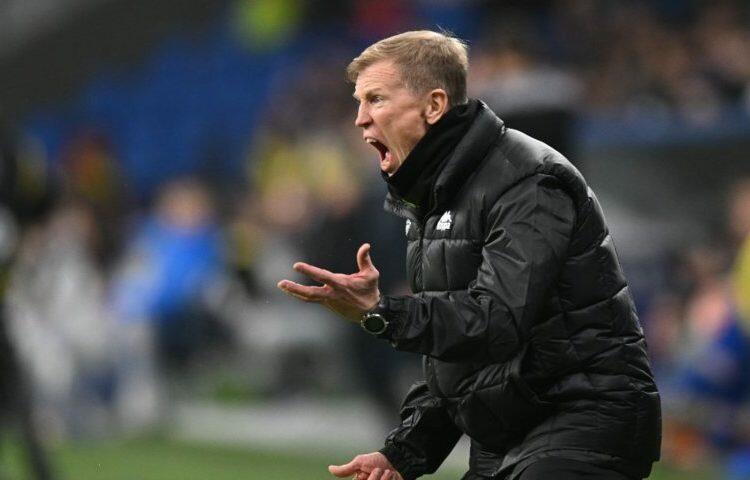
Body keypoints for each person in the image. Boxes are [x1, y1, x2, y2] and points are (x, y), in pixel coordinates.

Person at [278, 30, 661, 480]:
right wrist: (403, 453)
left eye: (376, 99)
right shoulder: (434, 196)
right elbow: (459, 362)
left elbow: (497, 320)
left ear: (434, 106)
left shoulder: (528, 182)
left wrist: (384, 312)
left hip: (583, 424)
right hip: (511, 432)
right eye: (359, 102)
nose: (360, 120)